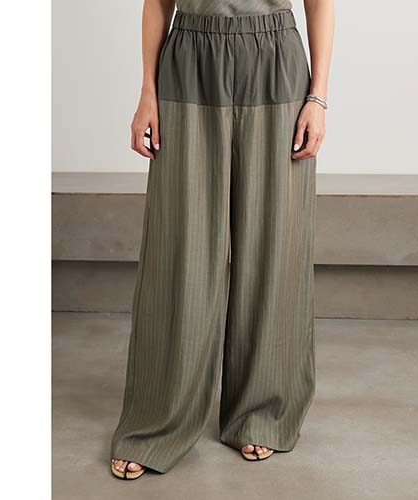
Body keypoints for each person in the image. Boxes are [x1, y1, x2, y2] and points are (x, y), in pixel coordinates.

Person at [111, 0, 334, 479]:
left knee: (274, 244)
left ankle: (262, 410)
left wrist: (317, 98)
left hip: (275, 61)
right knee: (180, 249)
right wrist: (147, 91)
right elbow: (158, 3)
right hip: (188, 61)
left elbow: (320, 3)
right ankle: (156, 420)